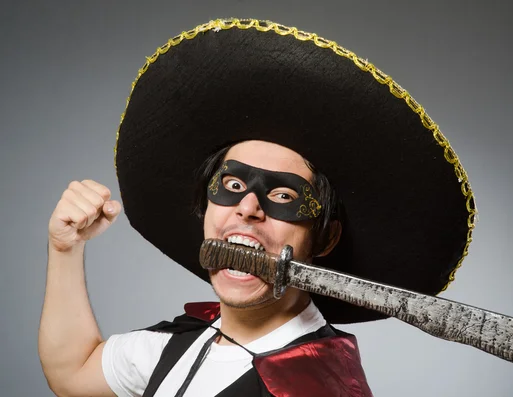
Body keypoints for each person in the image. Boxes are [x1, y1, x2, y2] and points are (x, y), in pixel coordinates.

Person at [39, 18, 474, 397]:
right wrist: (65, 249)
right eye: (231, 184)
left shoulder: (318, 386)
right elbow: (73, 374)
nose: (247, 207)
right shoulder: (188, 343)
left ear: (324, 238)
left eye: (283, 196)